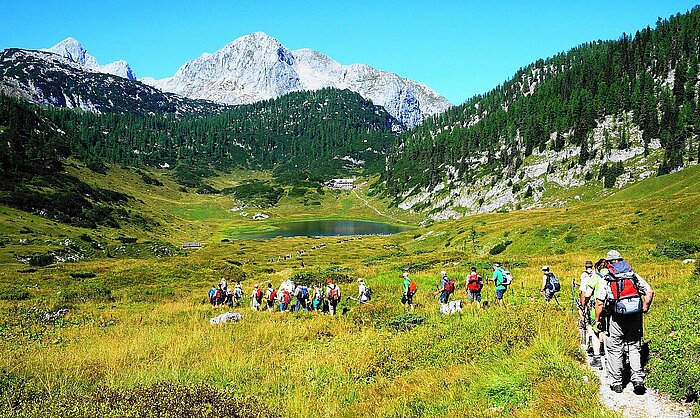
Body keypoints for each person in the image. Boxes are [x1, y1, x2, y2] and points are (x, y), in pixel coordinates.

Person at [595, 250, 654, 395]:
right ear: (621, 260)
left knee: (615, 348)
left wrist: (598, 320)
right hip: (634, 316)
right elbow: (650, 292)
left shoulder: (608, 278)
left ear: (609, 263)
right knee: (634, 346)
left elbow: (599, 303)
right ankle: (638, 379)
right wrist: (644, 308)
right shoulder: (633, 275)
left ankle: (617, 383)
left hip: (615, 318)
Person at [582, 260, 605, 369]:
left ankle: (597, 358)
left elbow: (588, 294)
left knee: (596, 330)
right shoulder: (613, 275)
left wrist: (586, 302)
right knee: (607, 331)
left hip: (597, 306)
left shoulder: (595, 277)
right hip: (612, 308)